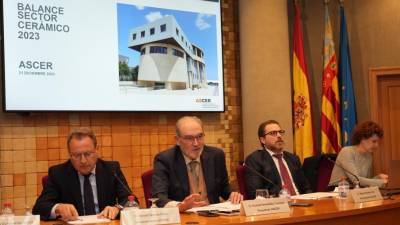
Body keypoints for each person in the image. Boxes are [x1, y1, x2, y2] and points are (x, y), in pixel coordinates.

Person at [32, 127, 137, 221]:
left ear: (97, 150)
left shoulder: (111, 170)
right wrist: (58, 208)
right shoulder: (58, 173)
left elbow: (131, 200)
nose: (83, 161)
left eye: (87, 154)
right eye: (76, 155)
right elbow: (39, 207)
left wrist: (117, 209)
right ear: (69, 154)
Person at [152, 116, 243, 212]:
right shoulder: (165, 160)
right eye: (189, 138)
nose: (196, 143)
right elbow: (158, 197)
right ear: (177, 140)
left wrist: (232, 194)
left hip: (213, 216)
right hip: (183, 218)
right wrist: (180, 206)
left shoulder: (216, 155)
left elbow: (224, 187)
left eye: (199, 136)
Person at [245, 120, 312, 199]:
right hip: (277, 205)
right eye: (273, 133)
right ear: (262, 140)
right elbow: (256, 194)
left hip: (301, 202)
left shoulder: (293, 158)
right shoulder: (255, 160)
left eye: (280, 132)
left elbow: (306, 187)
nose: (279, 135)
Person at [329, 121, 388, 187]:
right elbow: (356, 180)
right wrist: (383, 182)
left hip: (355, 191)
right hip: (336, 191)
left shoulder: (369, 156)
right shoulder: (346, 152)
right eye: (374, 141)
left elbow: (364, 182)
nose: (377, 145)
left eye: (378, 142)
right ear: (362, 138)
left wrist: (379, 177)